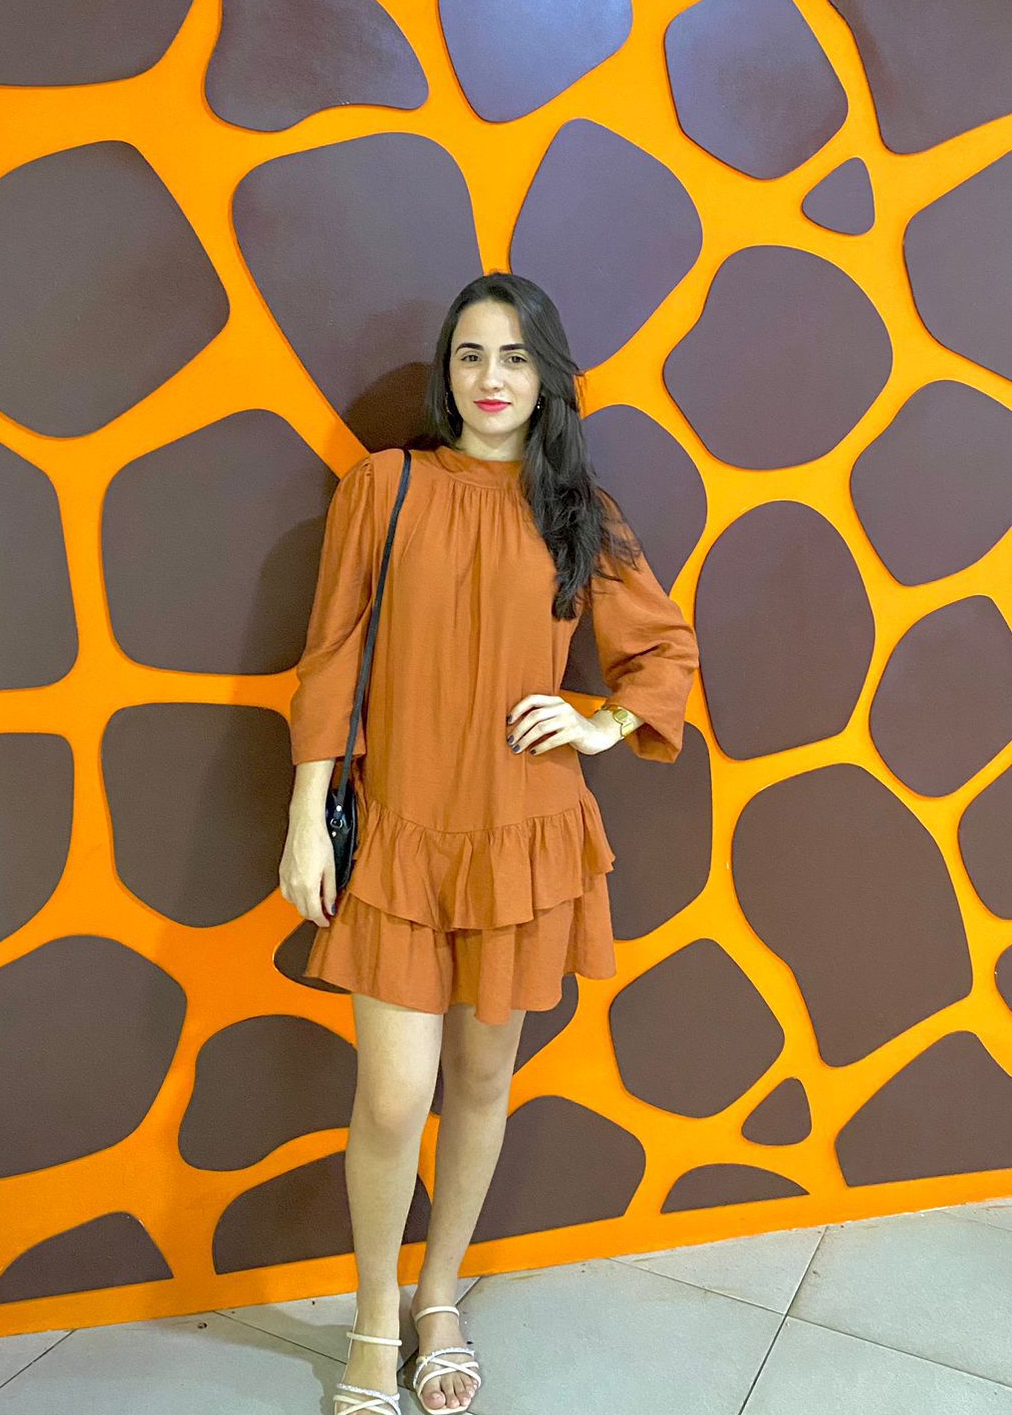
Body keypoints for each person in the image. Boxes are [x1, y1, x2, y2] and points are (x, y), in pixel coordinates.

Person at [279, 272, 700, 1415]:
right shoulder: (387, 486)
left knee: (478, 1079)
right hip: (402, 832)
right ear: (446, 371)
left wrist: (601, 720)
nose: (492, 377)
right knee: (390, 1097)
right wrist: (308, 816)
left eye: (515, 356)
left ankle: (439, 1300)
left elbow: (662, 649)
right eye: (471, 354)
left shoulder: (577, 507)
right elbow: (332, 654)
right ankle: (373, 1322)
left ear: (546, 375)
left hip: (523, 833)